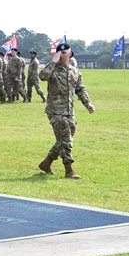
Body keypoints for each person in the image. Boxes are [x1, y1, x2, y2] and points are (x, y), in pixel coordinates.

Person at [38, 42, 95, 179]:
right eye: (60, 53)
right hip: (55, 111)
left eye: (65, 52)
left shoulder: (74, 71)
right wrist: (53, 62)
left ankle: (47, 162)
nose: (62, 55)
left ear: (70, 54)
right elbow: (42, 76)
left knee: (64, 139)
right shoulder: (52, 69)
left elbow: (80, 89)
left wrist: (88, 104)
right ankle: (69, 170)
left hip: (69, 111)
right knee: (67, 141)